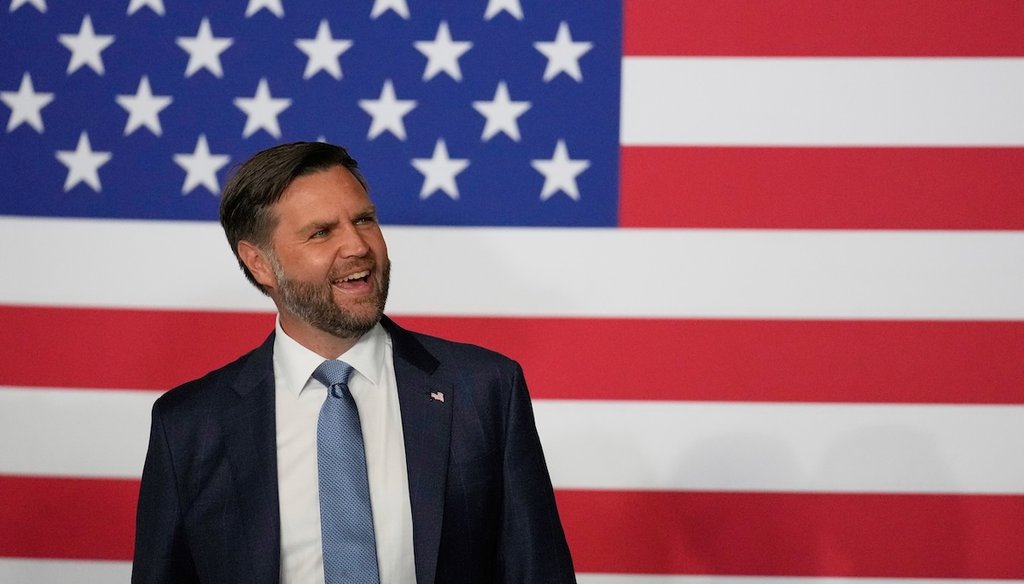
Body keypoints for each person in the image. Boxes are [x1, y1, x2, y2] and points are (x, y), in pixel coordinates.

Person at [131, 142, 576, 584]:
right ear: (259, 263)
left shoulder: (484, 389)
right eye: (322, 232)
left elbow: (537, 570)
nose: (358, 246)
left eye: (364, 219)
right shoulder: (190, 425)